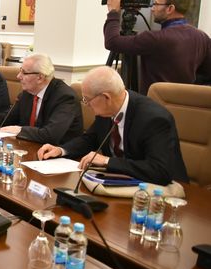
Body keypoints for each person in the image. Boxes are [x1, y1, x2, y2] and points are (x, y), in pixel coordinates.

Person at [38, 66, 188, 185]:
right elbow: (90, 139)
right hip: (118, 182)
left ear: (106, 97)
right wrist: (61, 150)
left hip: (160, 193)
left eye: (87, 100)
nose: (86, 105)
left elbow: (159, 170)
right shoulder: (107, 110)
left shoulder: (154, 118)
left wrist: (107, 161)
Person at [104, 0, 211, 94]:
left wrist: (113, 12)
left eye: (156, 4)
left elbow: (112, 42)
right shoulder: (202, 37)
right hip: (182, 102)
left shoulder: (155, 38)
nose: (152, 9)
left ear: (170, 9)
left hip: (153, 103)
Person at [0, 54, 83, 145]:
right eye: (20, 71)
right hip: (29, 146)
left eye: (24, 73)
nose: (18, 76)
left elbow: (51, 134)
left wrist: (20, 130)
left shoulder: (65, 97)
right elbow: (9, 116)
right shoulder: (28, 93)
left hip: (59, 153)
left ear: (40, 77)